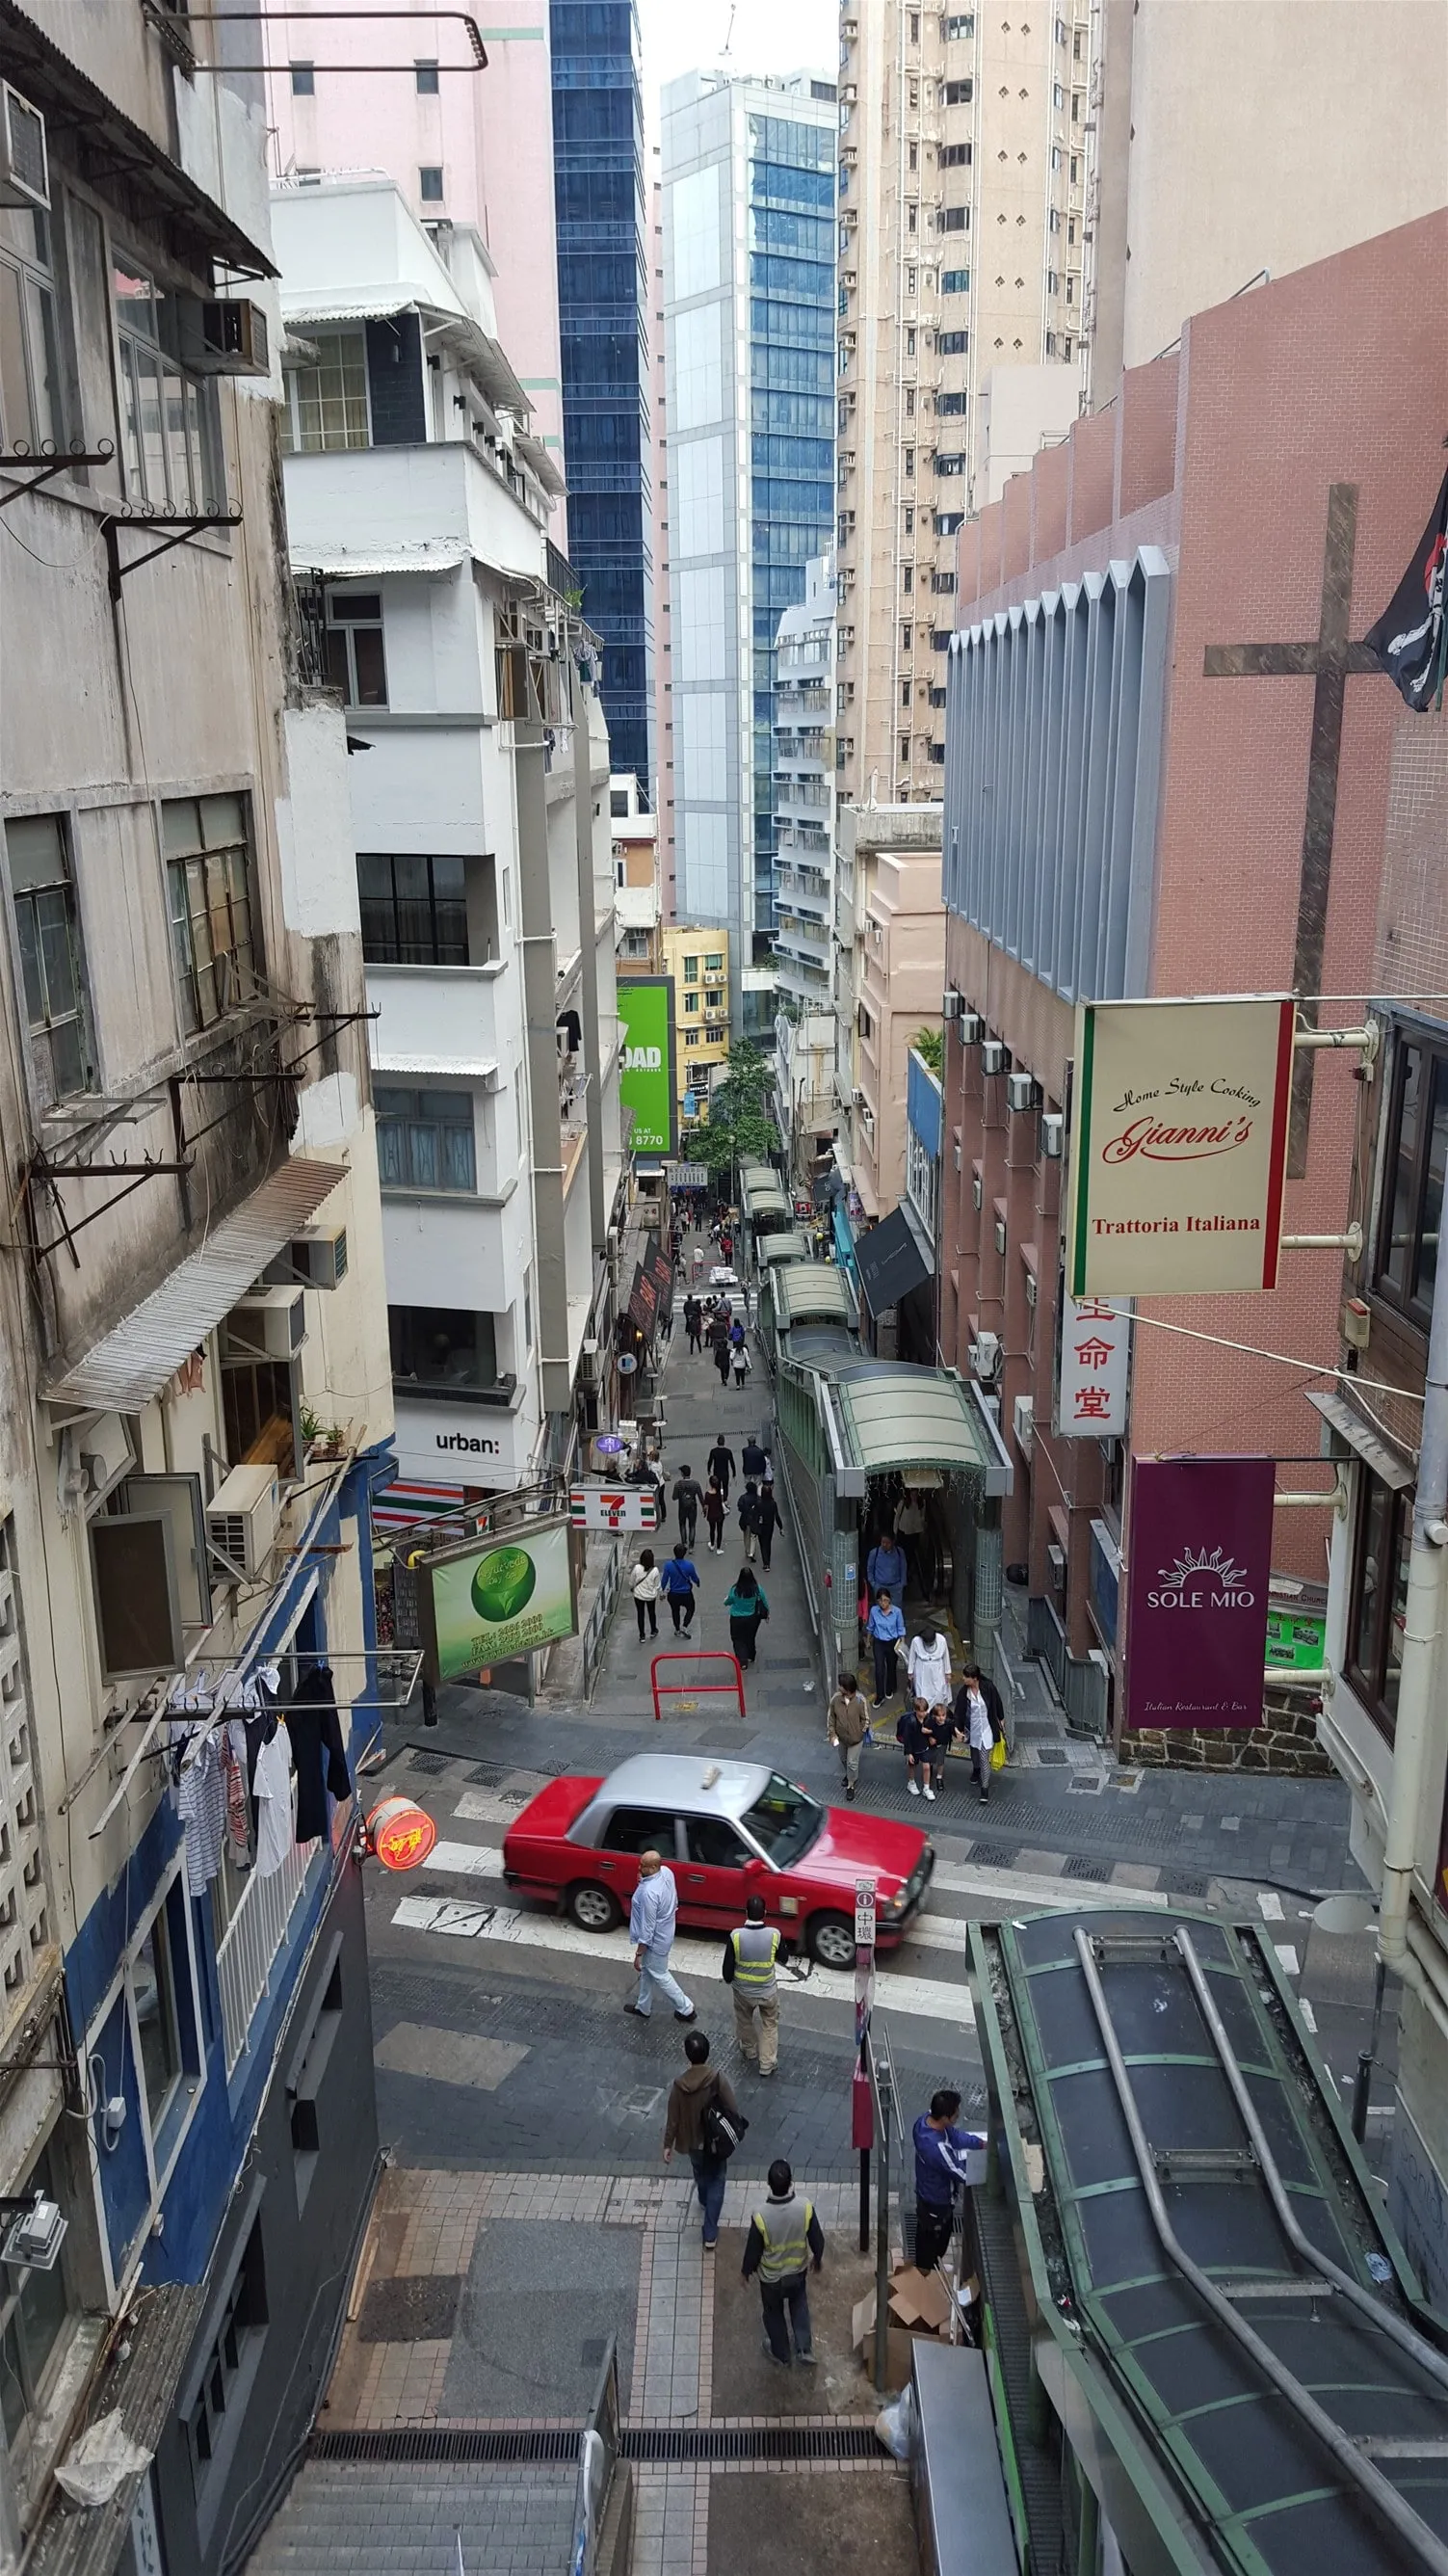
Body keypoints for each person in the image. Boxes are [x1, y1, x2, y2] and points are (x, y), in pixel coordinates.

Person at [663, 2030, 742, 2249]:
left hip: (692, 2143)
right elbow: (733, 2108)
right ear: (708, 2052)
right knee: (718, 2178)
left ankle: (703, 2197)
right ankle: (710, 2231)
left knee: (700, 2171)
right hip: (715, 2142)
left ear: (687, 2055)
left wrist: (668, 2145)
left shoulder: (679, 2086)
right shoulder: (716, 2079)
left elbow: (673, 2118)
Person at [742, 2160, 824, 2368]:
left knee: (774, 2314)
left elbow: (753, 2250)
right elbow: (817, 2239)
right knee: (799, 2306)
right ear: (791, 2182)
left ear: (768, 2184)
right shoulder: (805, 2207)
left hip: (771, 2279)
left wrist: (746, 2272)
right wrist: (818, 2258)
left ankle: (782, 2354)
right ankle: (804, 2349)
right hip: (797, 2273)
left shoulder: (760, 2215)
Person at [912, 2088, 984, 2271]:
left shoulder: (925, 2121)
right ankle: (926, 2272)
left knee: (930, 2233)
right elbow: (961, 2173)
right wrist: (985, 2166)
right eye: (955, 2113)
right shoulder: (937, 2149)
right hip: (937, 2202)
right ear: (945, 2117)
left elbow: (955, 2137)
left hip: (927, 2194)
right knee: (935, 2240)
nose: (958, 2114)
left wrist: (980, 2143)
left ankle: (930, 2266)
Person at [625, 1849, 696, 2023]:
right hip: (666, 1932)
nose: (639, 1867)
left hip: (655, 1941)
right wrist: (643, 1881)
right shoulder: (666, 1872)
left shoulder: (649, 1893)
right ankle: (643, 2007)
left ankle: (686, 2008)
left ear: (653, 1867)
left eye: (643, 1866)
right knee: (648, 1971)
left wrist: (638, 1954)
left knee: (660, 1973)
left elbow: (648, 1929)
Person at [723, 1891, 782, 2076]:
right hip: (768, 1992)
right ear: (765, 1913)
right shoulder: (774, 1935)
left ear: (746, 1912)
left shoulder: (736, 1936)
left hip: (743, 1992)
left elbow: (727, 1970)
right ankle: (767, 2064)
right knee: (770, 2024)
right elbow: (784, 1957)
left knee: (744, 2020)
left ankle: (749, 2050)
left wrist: (730, 1980)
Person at [955, 1662, 1005, 1800]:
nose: (963, 1679)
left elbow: (997, 1702)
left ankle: (985, 1788)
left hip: (987, 1727)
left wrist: (1001, 1718)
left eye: (966, 1677)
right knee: (974, 1753)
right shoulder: (964, 1692)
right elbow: (959, 1711)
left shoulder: (988, 1687)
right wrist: (958, 1729)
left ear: (975, 1678)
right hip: (973, 1728)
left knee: (984, 1758)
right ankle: (976, 1769)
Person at [828, 1670, 871, 1801]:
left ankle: (851, 1785)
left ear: (847, 1688)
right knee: (843, 1759)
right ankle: (849, 1774)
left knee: (852, 1762)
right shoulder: (836, 1699)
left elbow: (866, 1719)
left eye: (841, 1685)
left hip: (855, 1739)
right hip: (842, 1738)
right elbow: (831, 1717)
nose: (838, 1687)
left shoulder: (860, 1700)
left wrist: (860, 1732)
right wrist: (832, 1734)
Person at [867, 1588, 906, 1705]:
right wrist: (868, 1641)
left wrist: (902, 1645)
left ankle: (890, 1688)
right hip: (879, 1643)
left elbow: (901, 1629)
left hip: (892, 1643)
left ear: (890, 1600)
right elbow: (870, 1626)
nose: (883, 1603)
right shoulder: (874, 1611)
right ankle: (880, 1696)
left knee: (891, 1667)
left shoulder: (897, 1612)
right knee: (879, 1669)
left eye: (885, 1600)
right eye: (880, 1600)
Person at [725, 1567, 769, 1666]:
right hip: (752, 1618)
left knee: (737, 1639)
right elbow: (764, 1601)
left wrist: (726, 1601)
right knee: (750, 1637)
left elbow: (729, 1601)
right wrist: (767, 1613)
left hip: (736, 1618)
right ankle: (751, 1655)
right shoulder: (757, 1589)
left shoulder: (735, 1589)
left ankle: (742, 1661)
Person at [907, 1619, 952, 1713]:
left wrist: (948, 1672)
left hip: (937, 1669)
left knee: (939, 1691)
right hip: (922, 1669)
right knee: (922, 1691)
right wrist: (910, 1672)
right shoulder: (916, 1641)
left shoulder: (941, 1639)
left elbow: (946, 1656)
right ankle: (924, 1712)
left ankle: (938, 1711)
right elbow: (912, 1657)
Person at [659, 1543, 700, 1633]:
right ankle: (685, 1625)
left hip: (673, 1594)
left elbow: (664, 1580)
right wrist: (697, 1582)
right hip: (686, 1593)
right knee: (691, 1608)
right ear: (684, 1553)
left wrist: (662, 1590)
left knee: (675, 1611)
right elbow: (694, 1577)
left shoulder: (668, 1565)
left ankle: (677, 1628)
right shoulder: (689, 1565)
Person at [922, 1700, 956, 1802]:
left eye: (943, 1715)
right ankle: (931, 1771)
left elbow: (953, 1731)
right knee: (931, 1758)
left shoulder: (948, 1723)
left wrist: (958, 1735)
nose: (941, 1718)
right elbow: (924, 1731)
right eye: (938, 1716)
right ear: (934, 1716)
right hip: (933, 1744)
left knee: (940, 1761)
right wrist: (929, 1737)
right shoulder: (930, 1722)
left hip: (943, 1743)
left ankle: (939, 1777)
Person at [898, 1696, 931, 1798]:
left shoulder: (928, 1719)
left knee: (927, 1767)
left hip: (924, 1746)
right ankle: (911, 1782)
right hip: (914, 1748)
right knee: (912, 1766)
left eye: (925, 1711)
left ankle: (926, 1787)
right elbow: (907, 1738)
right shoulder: (910, 1721)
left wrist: (930, 1733)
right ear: (916, 1710)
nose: (923, 1713)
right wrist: (909, 1753)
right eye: (921, 1711)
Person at [866, 1527, 908, 1600]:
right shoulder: (874, 1553)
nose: (885, 1545)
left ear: (893, 1542)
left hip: (896, 1587)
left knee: (896, 1607)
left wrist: (902, 1584)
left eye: (888, 1543)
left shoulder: (899, 1552)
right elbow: (870, 1569)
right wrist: (873, 1584)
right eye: (883, 1542)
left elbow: (903, 1567)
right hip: (880, 1586)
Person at [630, 1548, 661, 1641]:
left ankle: (642, 1635)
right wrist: (656, 1591)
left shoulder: (637, 1568)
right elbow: (657, 1585)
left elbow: (632, 1581)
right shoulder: (655, 1570)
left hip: (638, 1595)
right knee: (652, 1613)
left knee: (640, 1614)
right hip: (650, 1596)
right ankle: (653, 1630)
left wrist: (632, 1587)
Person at [672, 1466, 704, 1551]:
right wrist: (704, 1507)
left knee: (682, 1525)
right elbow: (701, 1497)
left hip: (682, 1507)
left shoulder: (678, 1484)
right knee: (692, 1526)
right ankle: (691, 1546)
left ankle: (684, 1544)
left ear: (682, 1474)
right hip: (692, 1507)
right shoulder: (696, 1484)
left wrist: (681, 1496)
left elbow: (674, 1497)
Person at [752, 1479, 780, 1571]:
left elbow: (755, 1515)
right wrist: (781, 1527)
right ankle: (767, 1561)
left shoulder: (759, 1504)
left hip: (761, 1526)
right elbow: (777, 1516)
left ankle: (766, 1563)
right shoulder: (773, 1503)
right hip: (770, 1526)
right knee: (768, 1543)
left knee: (762, 1544)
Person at [737, 1480, 761, 1561]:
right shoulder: (758, 1498)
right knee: (753, 1536)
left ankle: (747, 1550)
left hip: (745, 1519)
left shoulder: (743, 1497)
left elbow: (740, 1507)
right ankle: (752, 1552)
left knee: (746, 1535)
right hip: (754, 1519)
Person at [702, 1478, 727, 1555]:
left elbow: (706, 1506)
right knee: (719, 1531)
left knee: (712, 1529)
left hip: (711, 1514)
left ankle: (712, 1545)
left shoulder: (707, 1494)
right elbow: (725, 1502)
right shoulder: (721, 1493)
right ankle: (718, 1548)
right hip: (720, 1514)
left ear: (710, 1484)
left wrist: (704, 1512)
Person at [706, 1434, 736, 1499]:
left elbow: (710, 1461)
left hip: (717, 1472)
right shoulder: (728, 1451)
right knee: (725, 1487)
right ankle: (725, 1499)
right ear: (724, 1442)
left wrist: (708, 1470)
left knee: (716, 1487)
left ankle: (718, 1499)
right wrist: (734, 1473)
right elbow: (732, 1463)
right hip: (725, 1473)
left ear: (717, 1442)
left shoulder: (713, 1451)